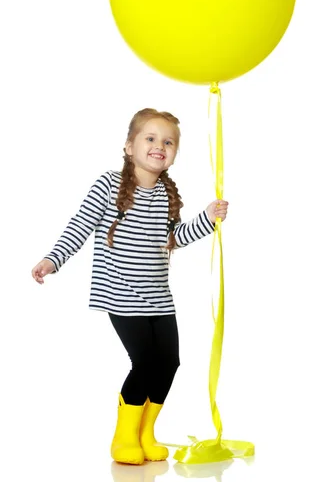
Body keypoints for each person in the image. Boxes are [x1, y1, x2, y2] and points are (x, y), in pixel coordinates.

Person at [31, 108, 228, 465]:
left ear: (173, 154)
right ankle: (124, 438)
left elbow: (174, 238)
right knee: (145, 362)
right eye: (150, 138)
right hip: (121, 296)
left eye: (168, 142)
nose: (159, 146)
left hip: (158, 299)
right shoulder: (109, 185)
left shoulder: (167, 196)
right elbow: (80, 225)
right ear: (128, 147)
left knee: (169, 362)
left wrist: (208, 218)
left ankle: (145, 433)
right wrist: (53, 260)